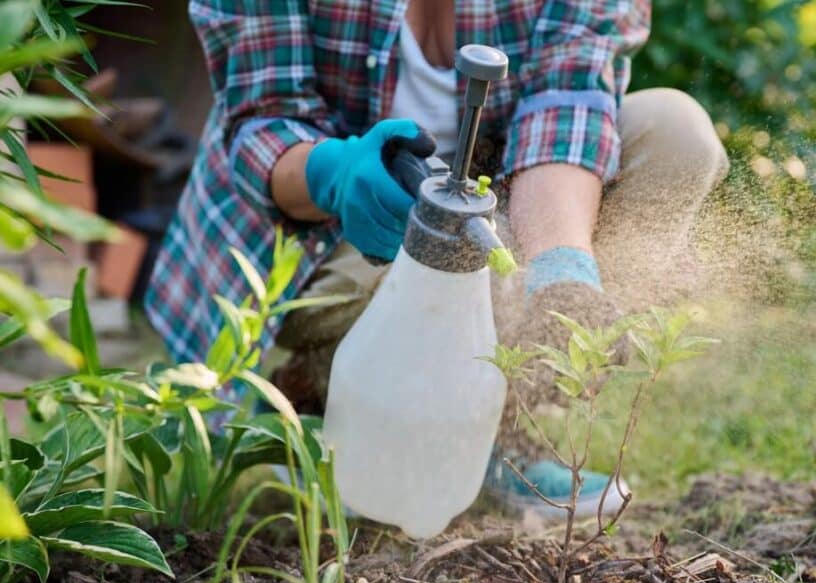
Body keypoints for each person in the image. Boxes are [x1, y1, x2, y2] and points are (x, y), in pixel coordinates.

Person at [146, 0, 728, 519]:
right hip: (316, 235)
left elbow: (567, 101)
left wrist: (560, 267)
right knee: (432, 267)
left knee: (677, 136)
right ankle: (312, 400)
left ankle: (495, 434)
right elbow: (263, 116)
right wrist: (335, 173)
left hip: (505, 206)